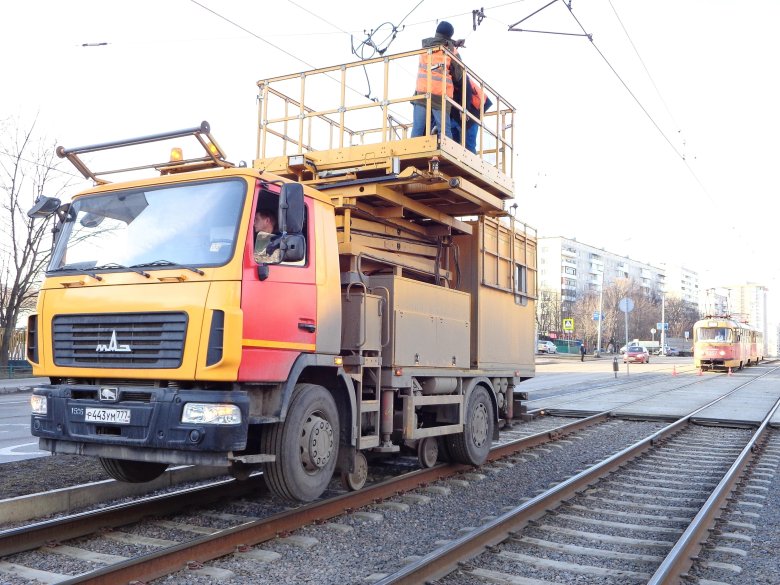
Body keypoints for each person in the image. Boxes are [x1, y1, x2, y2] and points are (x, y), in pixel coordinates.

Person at [411, 21, 464, 140]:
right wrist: (454, 45)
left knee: (417, 130)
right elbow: (459, 76)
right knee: (445, 132)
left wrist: (453, 42)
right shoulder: (451, 51)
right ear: (449, 36)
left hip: (422, 93)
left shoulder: (425, 46)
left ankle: (411, 157)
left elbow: (439, 41)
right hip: (440, 96)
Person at [451, 76, 493, 154]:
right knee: (453, 141)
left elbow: (467, 90)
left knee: (469, 144)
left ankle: (470, 160)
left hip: (473, 110)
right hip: (460, 109)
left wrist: (464, 108)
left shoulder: (457, 74)